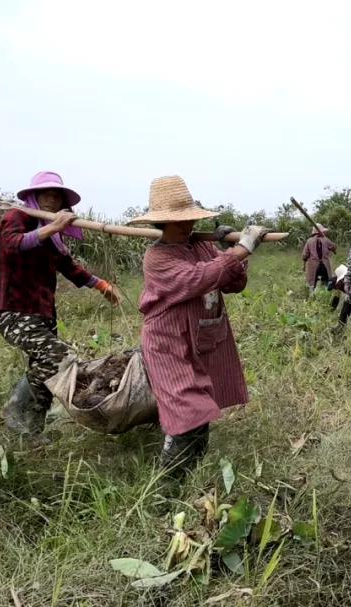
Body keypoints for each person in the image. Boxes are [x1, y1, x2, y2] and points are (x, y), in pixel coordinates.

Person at [128, 176, 270, 475]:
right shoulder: (158, 256)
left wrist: (231, 253)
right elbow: (197, 280)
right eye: (180, 221)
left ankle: (189, 473)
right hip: (169, 343)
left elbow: (233, 283)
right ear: (163, 225)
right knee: (188, 414)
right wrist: (242, 248)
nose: (188, 225)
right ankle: (168, 486)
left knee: (200, 412)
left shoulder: (202, 248)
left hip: (201, 337)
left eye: (190, 219)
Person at [0, 171, 122, 441]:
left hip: (42, 311)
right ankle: (16, 409)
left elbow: (68, 266)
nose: (52, 198)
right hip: (15, 310)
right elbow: (14, 244)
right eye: (47, 193)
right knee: (59, 358)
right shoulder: (16, 218)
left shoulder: (53, 236)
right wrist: (52, 227)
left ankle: (31, 430)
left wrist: (101, 285)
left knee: (45, 368)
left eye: (57, 194)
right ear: (34, 196)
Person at [302, 224, 336, 291]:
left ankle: (312, 296)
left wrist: (303, 265)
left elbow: (305, 255)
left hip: (313, 266)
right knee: (326, 282)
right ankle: (326, 294)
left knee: (312, 283)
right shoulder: (326, 240)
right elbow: (334, 247)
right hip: (325, 265)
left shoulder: (309, 241)